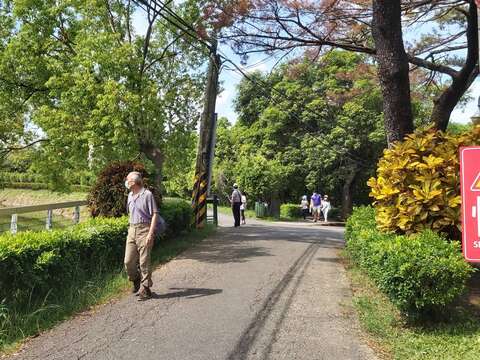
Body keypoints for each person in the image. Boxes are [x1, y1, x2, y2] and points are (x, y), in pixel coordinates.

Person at [124, 171, 159, 301]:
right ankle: (136, 279)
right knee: (128, 262)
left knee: (144, 261)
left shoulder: (147, 194)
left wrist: (150, 233)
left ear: (134, 182)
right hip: (132, 229)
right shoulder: (129, 195)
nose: (126, 182)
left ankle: (145, 288)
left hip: (144, 229)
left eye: (128, 180)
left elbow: (155, 213)